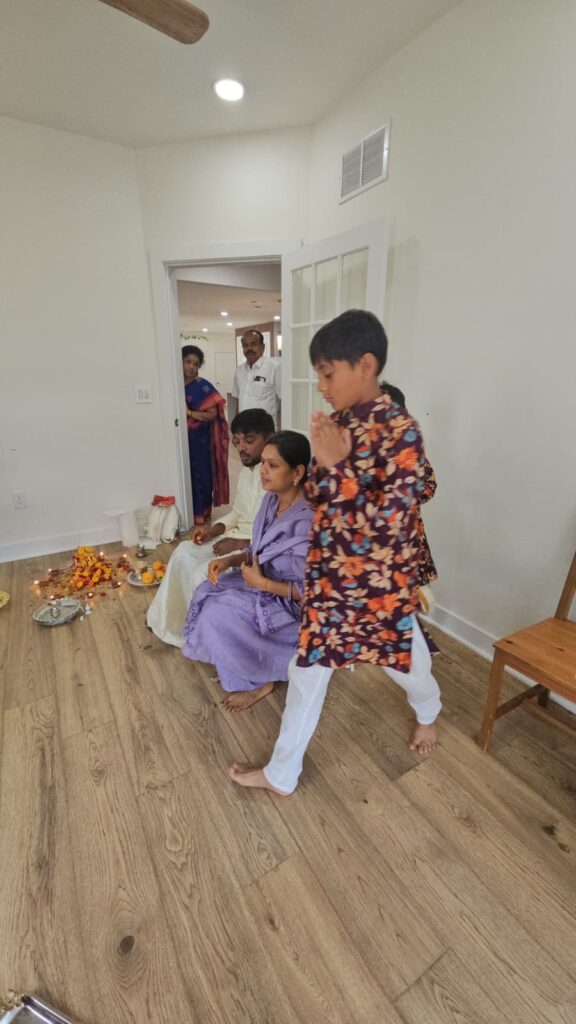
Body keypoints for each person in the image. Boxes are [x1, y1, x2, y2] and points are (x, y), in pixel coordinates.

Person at [229, 309, 442, 795]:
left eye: (328, 374)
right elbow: (323, 501)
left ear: (364, 366)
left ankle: (429, 712)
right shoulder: (340, 425)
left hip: (378, 587)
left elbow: (386, 527)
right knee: (305, 673)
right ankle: (282, 773)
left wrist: (338, 468)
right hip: (330, 583)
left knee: (408, 664)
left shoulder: (402, 434)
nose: (321, 386)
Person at [182, 431, 313, 712]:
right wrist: (231, 560)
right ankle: (236, 661)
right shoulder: (271, 500)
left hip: (290, 607)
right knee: (207, 589)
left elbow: (315, 594)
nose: (263, 471)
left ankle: (259, 681)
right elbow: (260, 548)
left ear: (297, 472)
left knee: (219, 612)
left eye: (273, 465)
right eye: (263, 462)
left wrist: (262, 584)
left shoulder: (308, 522)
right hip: (262, 580)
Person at [147, 409, 275, 647]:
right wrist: (214, 530)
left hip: (254, 548)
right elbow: (238, 513)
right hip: (234, 536)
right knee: (183, 551)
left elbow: (281, 533)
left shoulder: (277, 477)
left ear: (269, 439)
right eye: (237, 441)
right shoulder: (246, 473)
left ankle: (203, 639)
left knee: (201, 573)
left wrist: (240, 544)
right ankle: (170, 622)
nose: (241, 448)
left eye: (249, 440)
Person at [182, 344, 229, 526]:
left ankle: (203, 514)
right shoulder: (173, 385)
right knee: (185, 475)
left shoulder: (203, 386)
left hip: (200, 440)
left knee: (201, 474)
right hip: (181, 439)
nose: (191, 366)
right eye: (188, 361)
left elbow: (212, 414)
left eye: (196, 363)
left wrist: (189, 413)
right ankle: (187, 513)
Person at [231, 329, 282, 426]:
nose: (249, 348)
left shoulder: (274, 368)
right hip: (244, 428)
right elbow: (238, 400)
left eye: (253, 344)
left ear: (263, 347)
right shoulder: (239, 370)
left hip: (265, 430)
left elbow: (284, 401)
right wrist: (236, 427)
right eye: (245, 345)